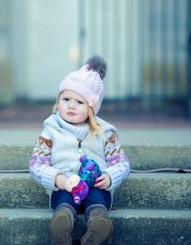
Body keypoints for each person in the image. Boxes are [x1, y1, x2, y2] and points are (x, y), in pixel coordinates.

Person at [29, 55, 130, 245]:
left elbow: (122, 164)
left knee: (97, 197)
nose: (71, 105)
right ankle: (62, 223)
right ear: (58, 100)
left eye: (79, 102)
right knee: (64, 199)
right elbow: (36, 164)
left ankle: (98, 224)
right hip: (65, 184)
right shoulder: (50, 130)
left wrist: (109, 177)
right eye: (66, 99)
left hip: (95, 185)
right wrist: (58, 179)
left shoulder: (104, 133)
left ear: (91, 108)